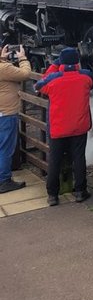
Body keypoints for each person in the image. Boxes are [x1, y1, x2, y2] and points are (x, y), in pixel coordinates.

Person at [34, 47, 93, 205]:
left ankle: (52, 195)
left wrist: (55, 66)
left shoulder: (53, 79)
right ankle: (81, 191)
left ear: (61, 61)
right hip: (79, 126)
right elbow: (91, 83)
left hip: (59, 128)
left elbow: (38, 86)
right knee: (79, 158)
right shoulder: (86, 77)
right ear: (77, 62)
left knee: (54, 159)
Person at [0, 44, 31, 193]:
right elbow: (25, 74)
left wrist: (2, 59)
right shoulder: (4, 69)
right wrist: (22, 58)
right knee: (6, 147)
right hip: (6, 113)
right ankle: (4, 181)